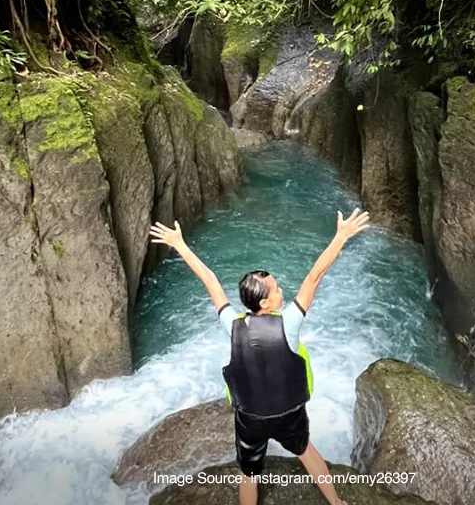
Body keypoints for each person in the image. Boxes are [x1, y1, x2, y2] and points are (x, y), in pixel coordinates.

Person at [148, 208, 370, 505]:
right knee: (306, 451)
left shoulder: (233, 325)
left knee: (249, 475)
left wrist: (180, 245)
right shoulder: (289, 322)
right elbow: (314, 277)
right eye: (276, 289)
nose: (281, 290)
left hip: (251, 418)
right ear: (265, 302)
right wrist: (341, 236)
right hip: (289, 414)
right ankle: (336, 502)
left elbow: (211, 282)